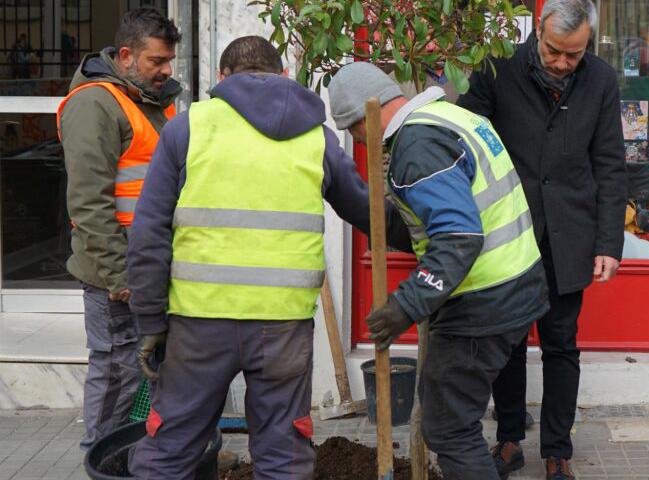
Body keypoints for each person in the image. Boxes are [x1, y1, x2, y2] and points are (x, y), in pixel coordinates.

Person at [125, 36, 381, 478]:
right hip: (282, 327)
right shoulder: (315, 135)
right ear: (283, 75)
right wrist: (424, 228)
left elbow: (148, 234)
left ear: (221, 79)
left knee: (170, 450)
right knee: (282, 456)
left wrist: (150, 321)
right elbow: (365, 209)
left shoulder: (188, 127)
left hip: (198, 324)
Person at [329, 61, 549, 480]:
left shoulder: (418, 146)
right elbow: (428, 223)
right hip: (515, 287)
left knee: (449, 429)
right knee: (454, 420)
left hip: (484, 301)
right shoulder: (450, 115)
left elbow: (457, 236)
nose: (362, 142)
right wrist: (356, 203)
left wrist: (404, 305)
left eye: (355, 132)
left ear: (363, 117)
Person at [457, 1, 627, 477]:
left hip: (569, 237)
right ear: (538, 30)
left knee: (561, 345)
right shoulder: (496, 69)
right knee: (507, 343)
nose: (561, 64)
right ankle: (509, 438)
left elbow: (611, 165)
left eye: (574, 55)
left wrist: (608, 243)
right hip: (508, 231)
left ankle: (558, 451)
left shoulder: (601, 80)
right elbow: (466, 142)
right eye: (554, 51)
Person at [56, 7, 181, 452]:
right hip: (117, 277)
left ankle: (134, 457)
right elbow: (89, 204)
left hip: (145, 266)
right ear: (126, 56)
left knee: (140, 374)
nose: (166, 70)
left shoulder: (145, 99)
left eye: (170, 61)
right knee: (116, 373)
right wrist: (120, 277)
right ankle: (101, 459)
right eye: (157, 62)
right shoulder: (95, 104)